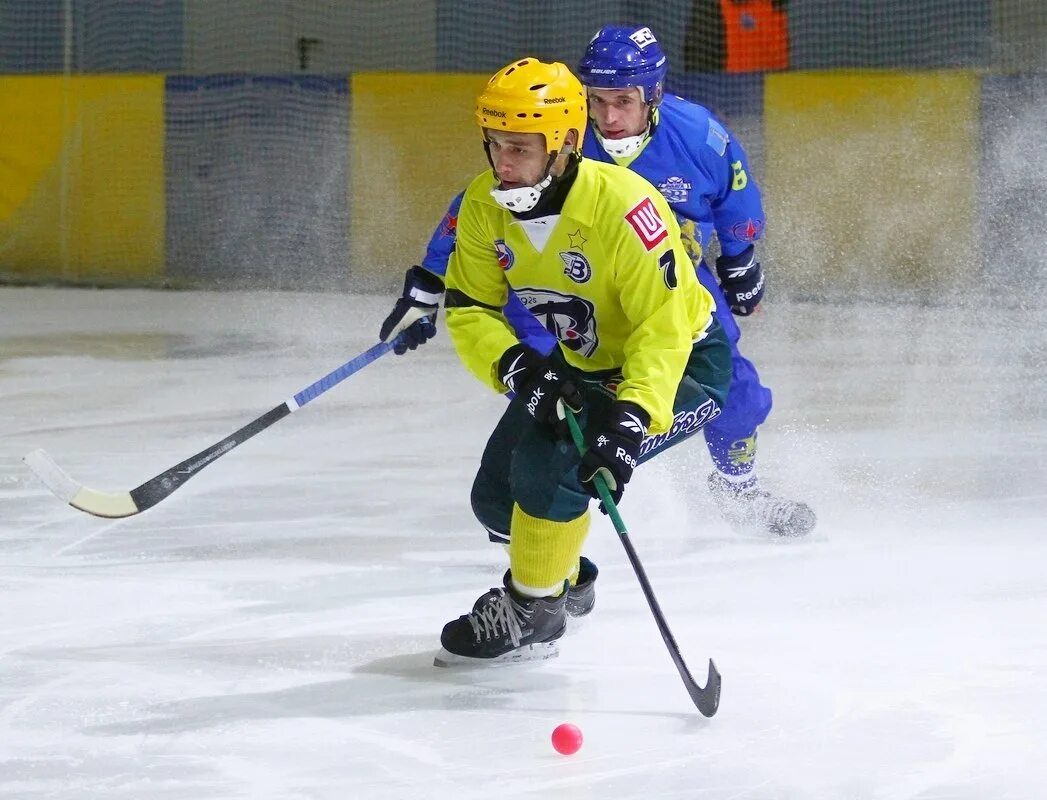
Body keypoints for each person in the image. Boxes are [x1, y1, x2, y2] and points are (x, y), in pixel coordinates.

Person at [380, 25, 814, 540]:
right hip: (561, 279)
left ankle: (738, 490)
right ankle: (542, 496)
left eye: (622, 101)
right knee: (545, 385)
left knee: (730, 385)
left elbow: (734, 192)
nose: (607, 118)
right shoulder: (560, 131)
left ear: (652, 94)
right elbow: (480, 203)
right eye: (597, 100)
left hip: (664, 276)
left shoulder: (698, 136)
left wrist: (739, 260)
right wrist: (433, 276)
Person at [421, 57, 733, 665]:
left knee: (552, 468)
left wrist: (633, 417)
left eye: (521, 147)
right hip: (586, 365)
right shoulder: (486, 206)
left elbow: (663, 327)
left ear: (565, 143)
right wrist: (514, 365)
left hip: (685, 368)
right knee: (496, 497)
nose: (503, 163)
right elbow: (469, 305)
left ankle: (534, 613)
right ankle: (563, 577)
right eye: (495, 146)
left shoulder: (626, 209)